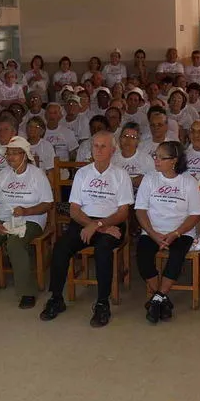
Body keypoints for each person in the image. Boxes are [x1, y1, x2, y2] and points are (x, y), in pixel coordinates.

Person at [41, 132, 134, 327]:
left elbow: (123, 212)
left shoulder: (121, 175)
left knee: (103, 250)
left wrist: (99, 225)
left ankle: (102, 303)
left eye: (103, 146)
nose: (98, 150)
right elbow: (74, 210)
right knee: (61, 247)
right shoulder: (83, 173)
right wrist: (93, 226)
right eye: (95, 146)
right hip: (84, 222)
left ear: (113, 150)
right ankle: (56, 298)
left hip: (111, 223)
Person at [0, 136, 54, 309]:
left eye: (15, 153)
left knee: (15, 243)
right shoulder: (3, 175)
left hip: (31, 220)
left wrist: (27, 210)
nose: (11, 157)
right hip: (4, 220)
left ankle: (27, 292)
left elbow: (48, 204)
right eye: (9, 153)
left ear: (25, 155)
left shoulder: (37, 174)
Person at [136, 141, 200, 323]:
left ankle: (157, 298)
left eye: (161, 157)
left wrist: (176, 233)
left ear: (174, 161)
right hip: (152, 231)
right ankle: (161, 298)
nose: (155, 160)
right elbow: (140, 210)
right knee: (143, 256)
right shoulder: (149, 178)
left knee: (176, 256)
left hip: (181, 232)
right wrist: (151, 233)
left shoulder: (189, 181)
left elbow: (195, 215)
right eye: (155, 156)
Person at [112, 121, 153, 189]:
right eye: (125, 136)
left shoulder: (146, 159)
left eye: (133, 137)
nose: (128, 140)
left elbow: (152, 182)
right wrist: (133, 181)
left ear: (138, 141)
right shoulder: (112, 160)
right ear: (119, 138)